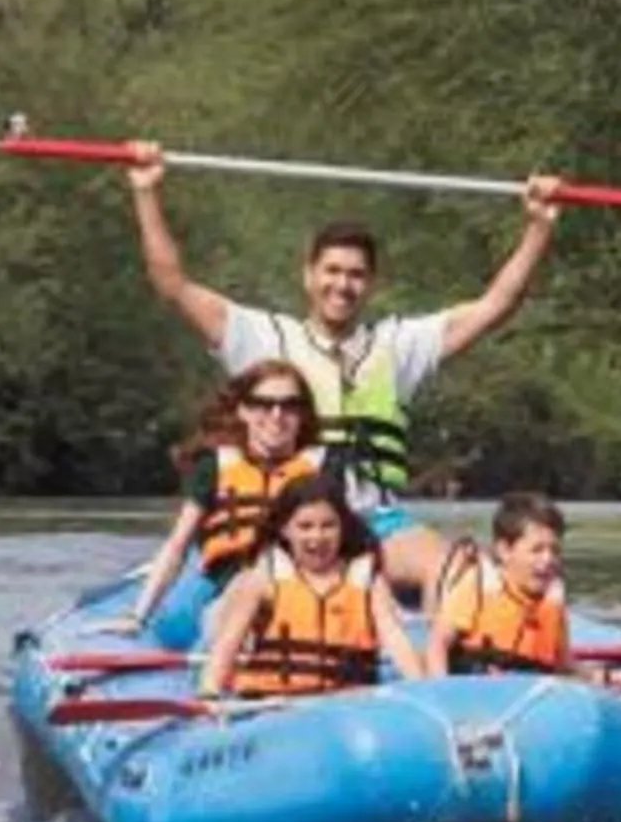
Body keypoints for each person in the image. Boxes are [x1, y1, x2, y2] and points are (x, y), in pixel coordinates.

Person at [125, 143, 564, 598]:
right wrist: (146, 192)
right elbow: (172, 284)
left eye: (356, 275)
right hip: (296, 524)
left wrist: (538, 226)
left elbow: (497, 305)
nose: (342, 285)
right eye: (331, 271)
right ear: (309, 276)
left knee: (452, 567)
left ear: (370, 284)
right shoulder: (264, 338)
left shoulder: (397, 345)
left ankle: (442, 663)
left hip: (377, 521)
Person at [120, 360, 327, 634]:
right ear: (243, 410)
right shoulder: (215, 467)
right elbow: (177, 546)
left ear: (303, 414)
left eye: (290, 405)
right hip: (226, 584)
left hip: (300, 582)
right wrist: (138, 617)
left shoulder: (322, 469)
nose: (277, 415)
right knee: (222, 607)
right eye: (263, 404)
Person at [198, 473, 426, 699]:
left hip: (346, 706)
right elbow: (227, 646)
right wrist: (209, 692)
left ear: (343, 528)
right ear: (285, 529)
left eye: (328, 526)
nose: (317, 537)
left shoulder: (366, 581)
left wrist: (423, 687)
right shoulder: (262, 579)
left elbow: (395, 638)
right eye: (305, 527)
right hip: (273, 705)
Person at [423, 490, 584, 677]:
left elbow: (563, 663)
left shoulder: (553, 597)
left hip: (530, 692)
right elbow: (437, 645)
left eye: (555, 550)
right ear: (504, 550)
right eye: (537, 550)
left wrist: (598, 677)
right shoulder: (478, 586)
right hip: (474, 692)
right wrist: (443, 690)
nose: (548, 559)